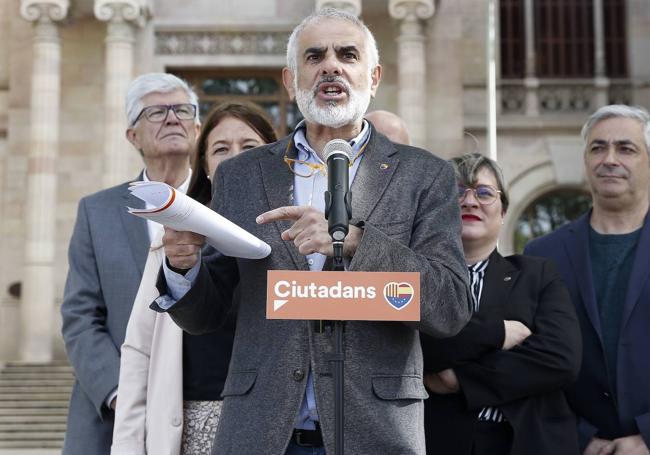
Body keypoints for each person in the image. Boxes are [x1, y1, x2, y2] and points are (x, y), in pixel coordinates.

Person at [157, 8, 472, 455]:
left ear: (373, 76)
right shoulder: (243, 176)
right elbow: (209, 315)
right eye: (314, 56)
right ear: (290, 80)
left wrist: (358, 241)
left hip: (377, 434)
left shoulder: (424, 176)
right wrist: (182, 268)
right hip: (262, 434)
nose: (331, 66)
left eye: (347, 54)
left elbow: (450, 307)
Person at [110, 101, 276, 455]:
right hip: (192, 431)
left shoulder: (305, 244)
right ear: (204, 167)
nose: (235, 159)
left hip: (276, 430)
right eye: (220, 149)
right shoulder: (172, 244)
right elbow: (139, 352)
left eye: (249, 147)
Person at [60, 72, 200, 455]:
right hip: (112, 420)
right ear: (132, 136)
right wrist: (124, 395)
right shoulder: (97, 211)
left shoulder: (221, 205)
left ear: (197, 127)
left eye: (182, 110)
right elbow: (80, 314)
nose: (172, 118)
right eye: (156, 112)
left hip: (202, 409)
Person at [420, 153, 582, 455]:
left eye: (483, 192)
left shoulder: (537, 275)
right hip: (438, 441)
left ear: (503, 210)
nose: (470, 201)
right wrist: (497, 333)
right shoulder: (417, 278)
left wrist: (462, 379)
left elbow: (559, 359)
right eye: (457, 192)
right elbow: (417, 347)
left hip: (522, 443)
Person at [525, 104, 650, 455]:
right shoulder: (542, 254)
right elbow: (530, 362)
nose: (609, 159)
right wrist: (578, 436)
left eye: (626, 148)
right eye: (598, 148)